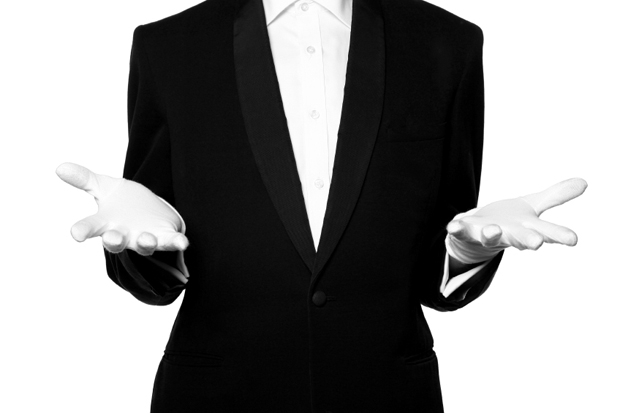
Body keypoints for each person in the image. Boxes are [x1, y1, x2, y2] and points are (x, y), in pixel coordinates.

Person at [56, 0, 587, 411]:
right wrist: (145, 249)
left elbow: (437, 262)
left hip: (387, 396)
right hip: (216, 396)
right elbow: (148, 234)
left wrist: (467, 252)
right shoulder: (169, 46)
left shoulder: (448, 43)